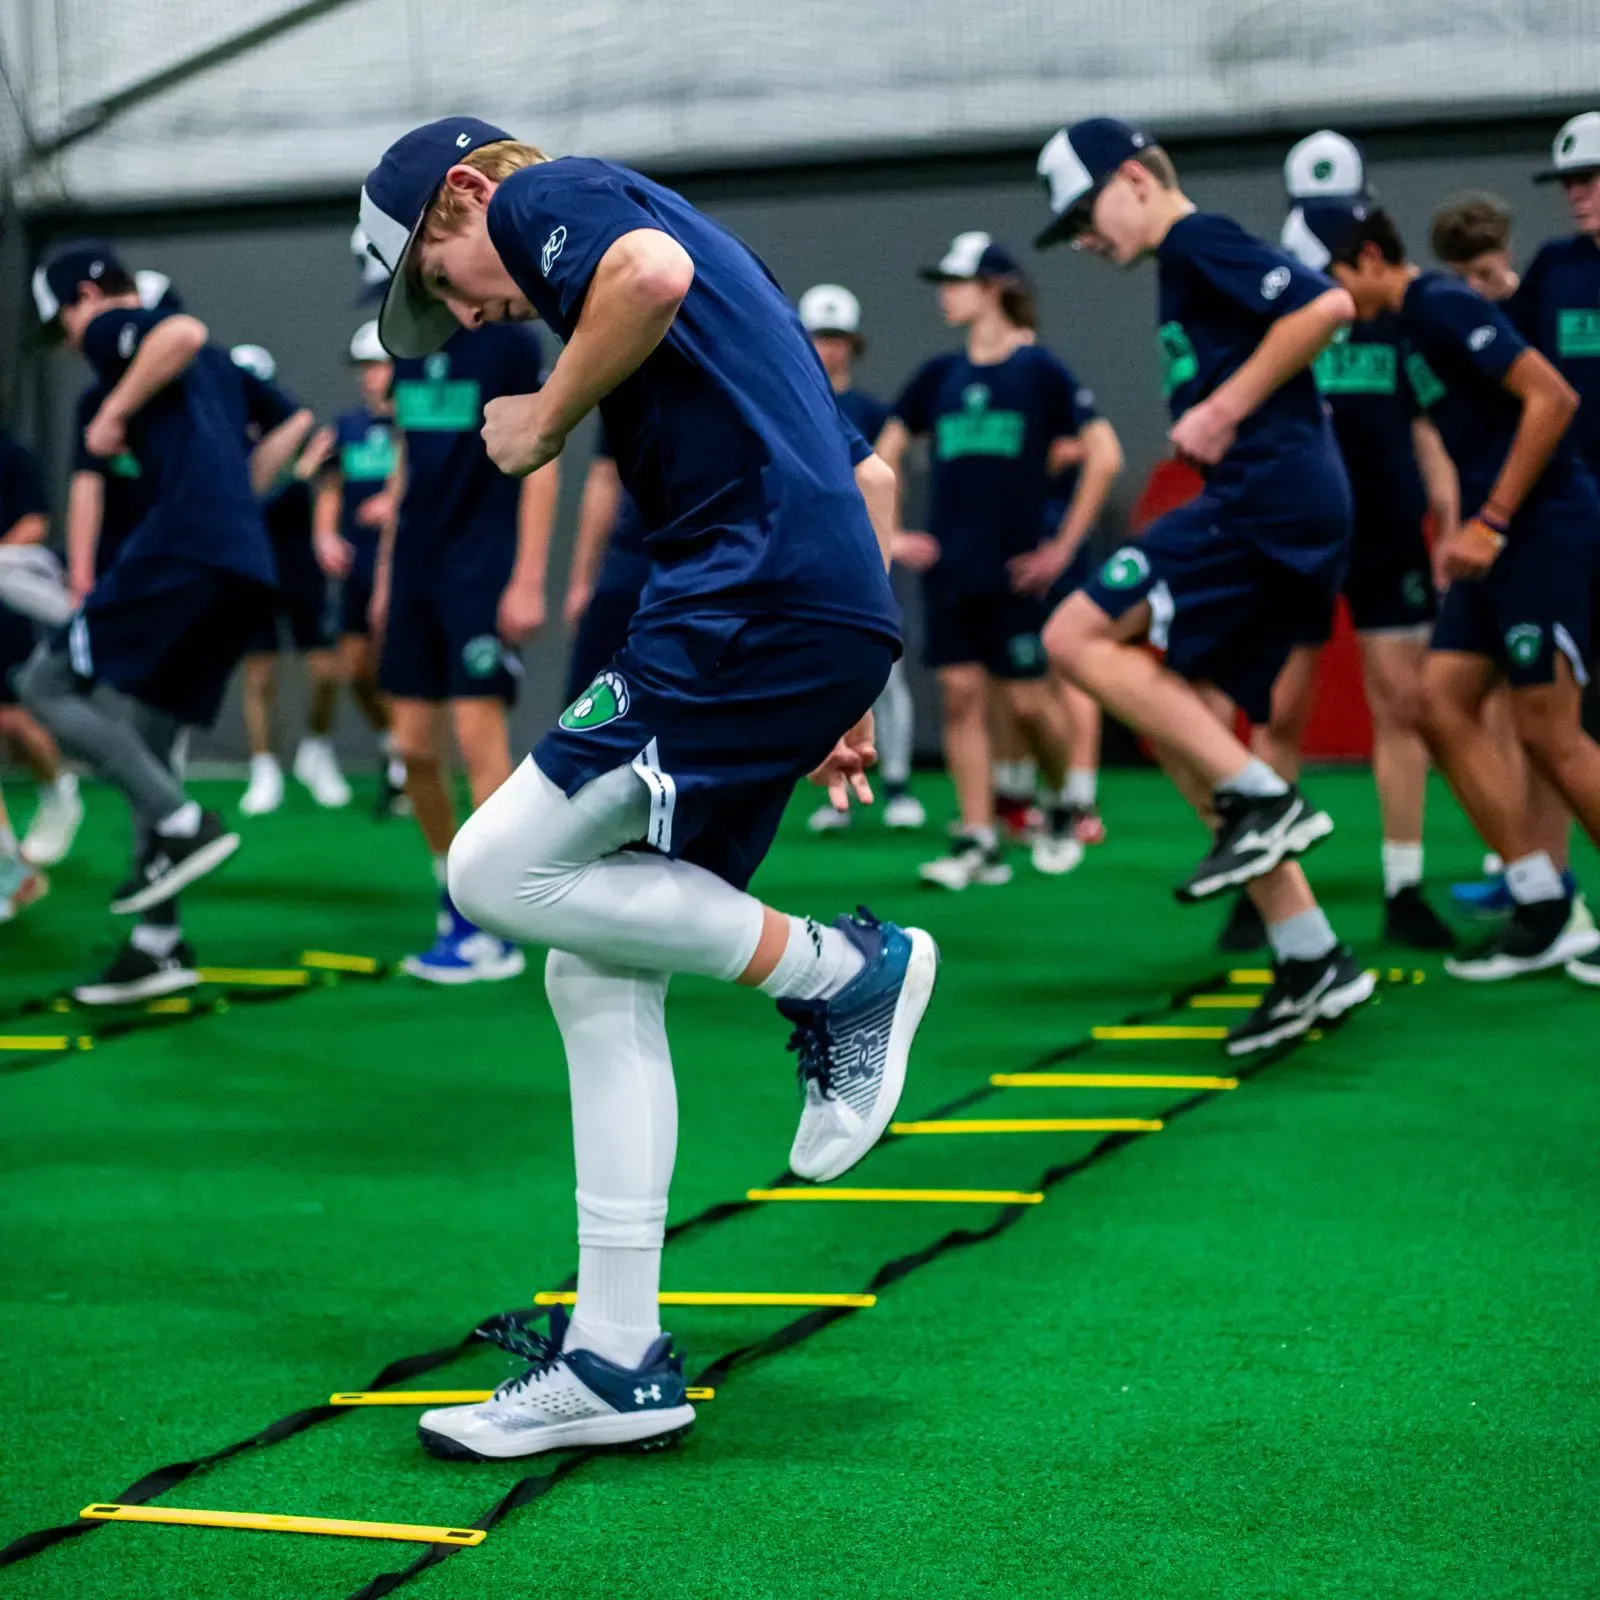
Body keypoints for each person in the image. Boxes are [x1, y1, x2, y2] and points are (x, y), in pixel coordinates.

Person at [356, 116, 936, 1457]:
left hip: (741, 598)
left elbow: (647, 278)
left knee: (493, 869)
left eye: (449, 277)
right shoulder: (722, 263)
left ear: (465, 192)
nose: (476, 304)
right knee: (591, 967)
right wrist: (846, 674)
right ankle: (618, 1359)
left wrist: (547, 419)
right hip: (797, 604)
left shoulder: (555, 199)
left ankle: (845, 969)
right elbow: (870, 469)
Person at [1033, 118, 1374, 1055]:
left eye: (1085, 215)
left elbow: (1327, 308)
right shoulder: (1178, 266)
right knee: (1175, 719)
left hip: (1268, 498)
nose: (1084, 241)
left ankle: (1265, 797)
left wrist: (1226, 405)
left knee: (1072, 637)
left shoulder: (1196, 238)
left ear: (1136, 178)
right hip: (1271, 501)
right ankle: (1312, 958)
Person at [1296, 196, 1600, 983]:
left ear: (1367, 258)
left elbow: (1553, 398)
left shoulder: (1436, 304)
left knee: (1551, 733)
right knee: (1436, 703)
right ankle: (1543, 906)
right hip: (1491, 545)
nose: (1321, 291)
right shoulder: (1391, 328)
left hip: (1539, 530)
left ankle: (1549, 903)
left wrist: (1490, 521)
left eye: (1326, 272)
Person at [20, 242, 300, 1000]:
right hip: (242, 564)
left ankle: (182, 824)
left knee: (43, 684)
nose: (75, 343)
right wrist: (242, 495)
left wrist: (113, 412)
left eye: (67, 323)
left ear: (85, 296)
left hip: (180, 548)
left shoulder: (122, 327)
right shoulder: (217, 374)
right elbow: (292, 419)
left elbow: (179, 335)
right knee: (147, 741)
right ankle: (159, 945)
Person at [1221, 156, 1459, 952]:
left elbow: (1428, 425)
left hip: (1389, 530)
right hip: (1299, 534)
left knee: (1403, 702)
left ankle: (1403, 885)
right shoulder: (1279, 313)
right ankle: (1267, 889)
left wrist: (1450, 520)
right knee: (1278, 709)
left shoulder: (1397, 315)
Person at [876, 231, 1119, 888]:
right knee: (959, 697)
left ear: (994, 290)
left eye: (956, 283)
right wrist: (895, 534)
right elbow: (883, 453)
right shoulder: (938, 376)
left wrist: (1063, 547)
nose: (944, 296)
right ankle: (979, 839)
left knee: (1031, 703)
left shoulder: (1040, 371)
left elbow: (1105, 454)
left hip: (1017, 572)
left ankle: (1066, 803)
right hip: (952, 568)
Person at [374, 313, 557, 983]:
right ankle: (454, 890)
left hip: (481, 568)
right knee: (414, 748)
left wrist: (529, 578)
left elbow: (541, 459)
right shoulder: (403, 339)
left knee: (481, 741)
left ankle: (495, 920)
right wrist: (388, 573)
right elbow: (402, 458)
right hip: (416, 570)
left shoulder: (509, 343)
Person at [797, 283, 925, 834]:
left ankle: (895, 782)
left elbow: (885, 480)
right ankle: (834, 781)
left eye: (838, 338)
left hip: (863, 555)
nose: (830, 349)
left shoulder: (872, 411)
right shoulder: (792, 400)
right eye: (820, 338)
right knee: (818, 674)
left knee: (882, 672)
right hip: (806, 557)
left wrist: (888, 546)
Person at [225, 343, 351, 817]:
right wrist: (297, 476)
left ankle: (316, 751)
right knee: (258, 672)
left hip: (300, 563)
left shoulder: (300, 430)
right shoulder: (221, 437)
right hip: (252, 563)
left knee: (325, 667)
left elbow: (329, 487)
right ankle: (264, 769)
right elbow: (244, 504)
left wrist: (323, 532)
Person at [314, 320, 407, 818]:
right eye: (365, 367)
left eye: (378, 365)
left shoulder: (414, 423)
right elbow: (328, 486)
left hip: (400, 559)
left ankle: (404, 767)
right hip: (356, 563)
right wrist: (324, 534)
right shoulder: (345, 427)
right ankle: (394, 741)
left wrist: (395, 502)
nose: (370, 377)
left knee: (394, 661)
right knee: (353, 669)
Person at [0, 425, 83, 870]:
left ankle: (58, 794)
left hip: (5, 600)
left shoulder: (13, 454)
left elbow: (34, 524)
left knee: (14, 720)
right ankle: (8, 870)